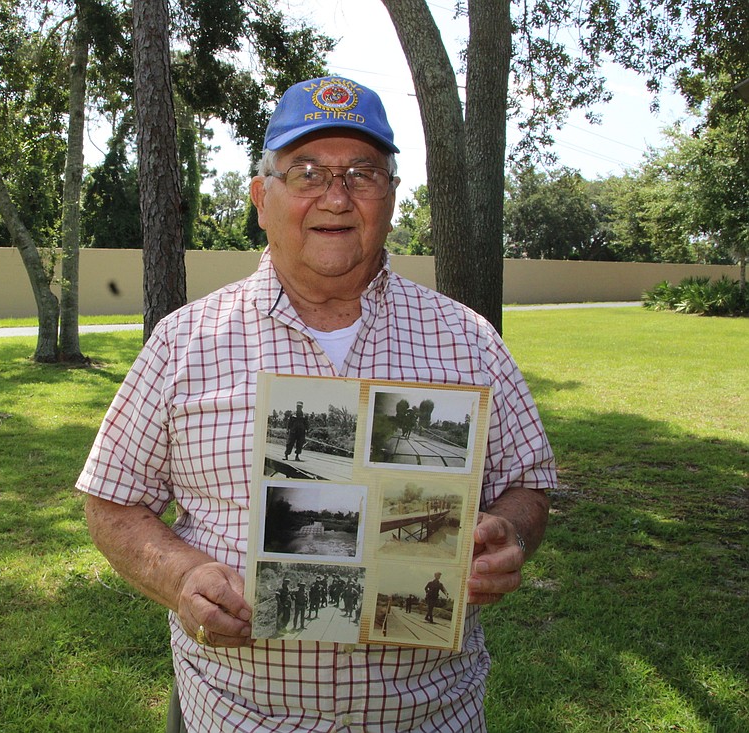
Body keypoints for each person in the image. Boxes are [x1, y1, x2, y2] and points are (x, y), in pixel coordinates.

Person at [78, 75, 555, 732]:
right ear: (260, 198)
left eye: (363, 173)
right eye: (306, 172)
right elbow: (110, 498)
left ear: (390, 196)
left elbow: (527, 481)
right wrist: (179, 576)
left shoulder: (468, 342)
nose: (337, 196)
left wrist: (512, 535)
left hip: (426, 717)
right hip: (237, 716)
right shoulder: (184, 343)